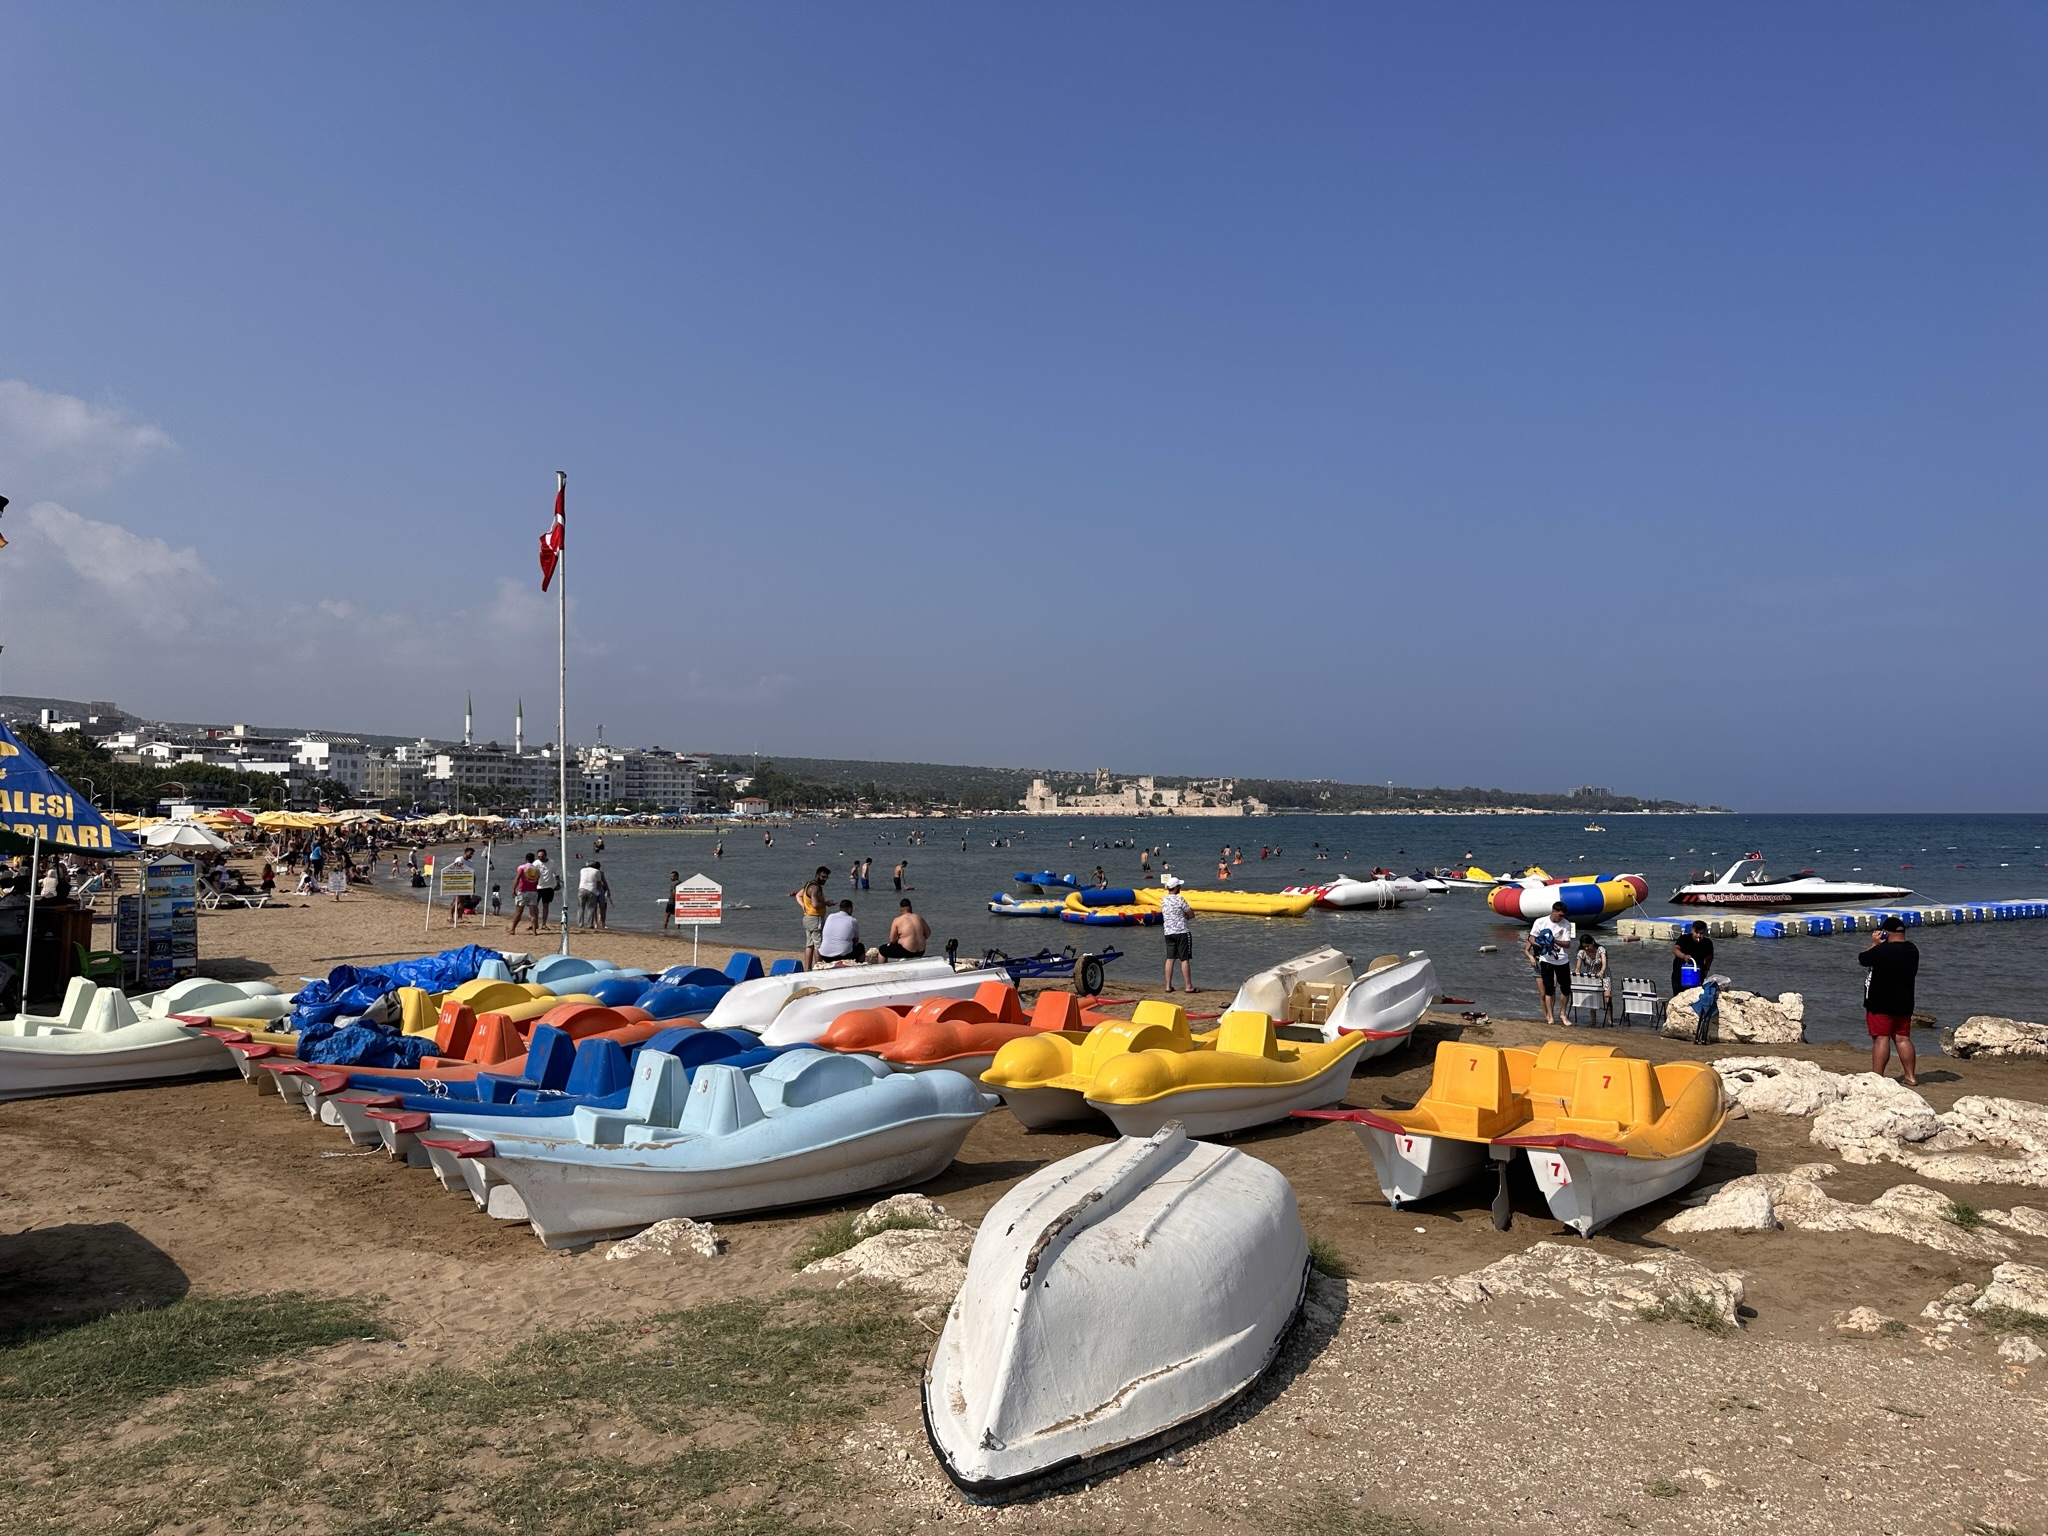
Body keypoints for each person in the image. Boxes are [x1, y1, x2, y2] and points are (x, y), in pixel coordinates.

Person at [1860, 916, 1920, 1085]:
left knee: (1881, 1038)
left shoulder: (1882, 951)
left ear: (1886, 933)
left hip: (1880, 1001)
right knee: (1903, 1038)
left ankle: (1877, 1077)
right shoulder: (1912, 949)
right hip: (1904, 1002)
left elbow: (1862, 959)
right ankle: (1910, 1076)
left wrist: (1874, 943)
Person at [1525, 901, 1576, 1027]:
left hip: (1562, 959)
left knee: (1565, 988)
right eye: (1559, 915)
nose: (1561, 918)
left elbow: (1567, 944)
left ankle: (1563, 1014)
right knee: (1548, 989)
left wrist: (1554, 941)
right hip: (1546, 959)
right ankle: (1550, 1016)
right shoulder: (1540, 922)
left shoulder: (1566, 924)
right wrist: (1540, 943)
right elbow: (1531, 938)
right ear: (1553, 912)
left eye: (1563, 916)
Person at [1160, 873, 1194, 993]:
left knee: (1170, 959)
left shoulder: (1163, 900)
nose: (1180, 887)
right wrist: (1184, 916)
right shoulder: (1180, 899)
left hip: (1168, 932)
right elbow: (1191, 914)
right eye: (1179, 886)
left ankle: (1168, 986)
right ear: (1176, 887)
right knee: (1184, 959)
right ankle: (1188, 986)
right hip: (1181, 931)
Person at [792, 866, 830, 969]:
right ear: (817, 875)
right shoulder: (815, 887)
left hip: (807, 918)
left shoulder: (808, 884)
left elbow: (798, 895)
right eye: (823, 877)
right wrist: (826, 903)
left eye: (826, 877)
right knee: (818, 945)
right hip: (815, 918)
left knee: (809, 944)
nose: (824, 879)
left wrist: (803, 905)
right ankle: (818, 968)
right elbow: (815, 904)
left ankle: (808, 968)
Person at [1574, 932, 1612, 1025]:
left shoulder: (1601, 949)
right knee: (1593, 999)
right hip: (1591, 977)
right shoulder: (1582, 952)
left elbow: (1604, 963)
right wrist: (1576, 975)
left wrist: (1601, 971)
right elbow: (1577, 967)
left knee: (1607, 998)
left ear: (1592, 942)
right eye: (1584, 946)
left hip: (1604, 975)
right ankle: (1593, 1021)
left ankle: (1609, 1020)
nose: (1586, 948)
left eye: (1588, 946)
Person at [1672, 920, 1714, 997]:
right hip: (1680, 974)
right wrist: (1684, 956)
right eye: (1696, 933)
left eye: (1701, 933)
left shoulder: (1707, 943)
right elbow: (1675, 949)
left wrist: (1707, 969)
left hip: (1697, 974)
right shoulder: (1684, 938)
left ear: (1705, 933)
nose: (1698, 936)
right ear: (1692, 930)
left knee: (1695, 996)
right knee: (1679, 997)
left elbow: (1710, 956)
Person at [819, 898, 863, 963]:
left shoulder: (830, 916)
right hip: (841, 956)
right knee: (860, 947)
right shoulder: (852, 920)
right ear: (850, 909)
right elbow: (856, 940)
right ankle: (859, 966)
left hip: (825, 955)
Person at [509, 853, 542, 935]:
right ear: (533, 859)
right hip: (534, 891)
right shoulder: (537, 870)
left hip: (523, 891)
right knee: (533, 913)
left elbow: (518, 878)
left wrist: (513, 889)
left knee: (519, 911)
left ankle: (513, 929)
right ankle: (534, 931)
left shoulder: (522, 867)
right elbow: (537, 881)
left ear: (526, 859)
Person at [446, 846, 478, 926]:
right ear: (465, 852)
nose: (471, 855)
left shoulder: (471, 862)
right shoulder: (459, 859)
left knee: (463, 901)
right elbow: (456, 869)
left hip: (467, 882)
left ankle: (460, 917)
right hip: (459, 881)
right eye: (470, 853)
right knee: (458, 900)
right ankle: (450, 915)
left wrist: (473, 885)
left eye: (472, 854)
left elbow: (472, 873)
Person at [532, 848, 560, 929]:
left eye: (542, 856)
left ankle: (543, 924)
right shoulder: (536, 863)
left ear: (545, 855)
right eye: (539, 856)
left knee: (546, 906)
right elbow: (531, 874)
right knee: (534, 905)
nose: (540, 858)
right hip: (537, 887)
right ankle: (535, 922)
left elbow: (557, 874)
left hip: (548, 887)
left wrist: (558, 884)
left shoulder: (552, 862)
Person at [577, 859, 608, 930]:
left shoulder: (582, 870)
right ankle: (590, 924)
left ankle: (580, 924)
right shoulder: (597, 871)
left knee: (581, 908)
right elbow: (599, 884)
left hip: (581, 889)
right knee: (591, 908)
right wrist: (601, 891)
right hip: (591, 890)